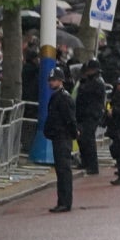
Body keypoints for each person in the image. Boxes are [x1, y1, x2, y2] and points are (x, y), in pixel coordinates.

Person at [41, 65, 78, 211]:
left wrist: (73, 133)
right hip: (58, 137)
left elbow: (69, 119)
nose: (51, 83)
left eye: (54, 80)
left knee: (64, 170)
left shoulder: (63, 98)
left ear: (60, 81)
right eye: (50, 80)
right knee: (61, 170)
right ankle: (62, 200)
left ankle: (65, 202)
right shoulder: (57, 97)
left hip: (63, 137)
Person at [75, 60, 107, 176]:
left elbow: (86, 92)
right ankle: (85, 162)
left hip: (91, 115)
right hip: (84, 114)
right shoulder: (91, 81)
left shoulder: (97, 82)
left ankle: (92, 166)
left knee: (88, 140)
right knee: (82, 139)